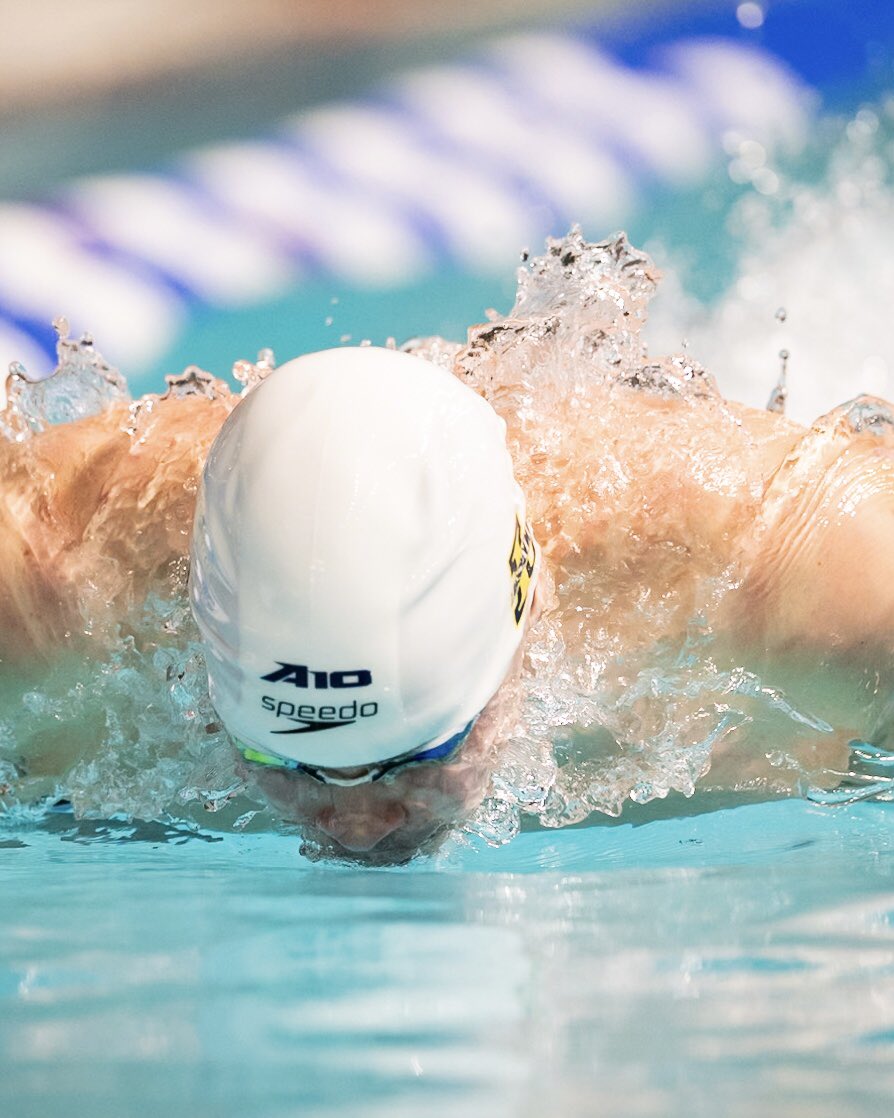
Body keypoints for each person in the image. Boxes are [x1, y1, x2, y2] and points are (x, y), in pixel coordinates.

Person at [1, 233, 892, 861]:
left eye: (420, 755)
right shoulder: (45, 590)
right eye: (282, 762)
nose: (354, 824)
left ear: (524, 602)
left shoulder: (806, 581)